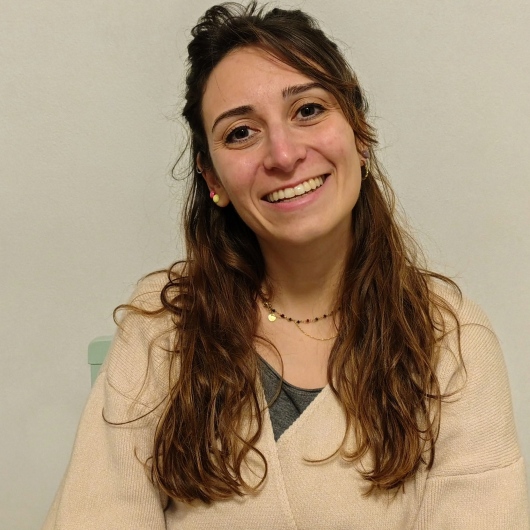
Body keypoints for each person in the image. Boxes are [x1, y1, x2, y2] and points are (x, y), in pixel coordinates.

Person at [43, 2, 529, 528]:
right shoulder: (160, 331)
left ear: (361, 133)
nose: (282, 154)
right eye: (240, 133)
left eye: (308, 110)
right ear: (212, 178)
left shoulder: (451, 340)